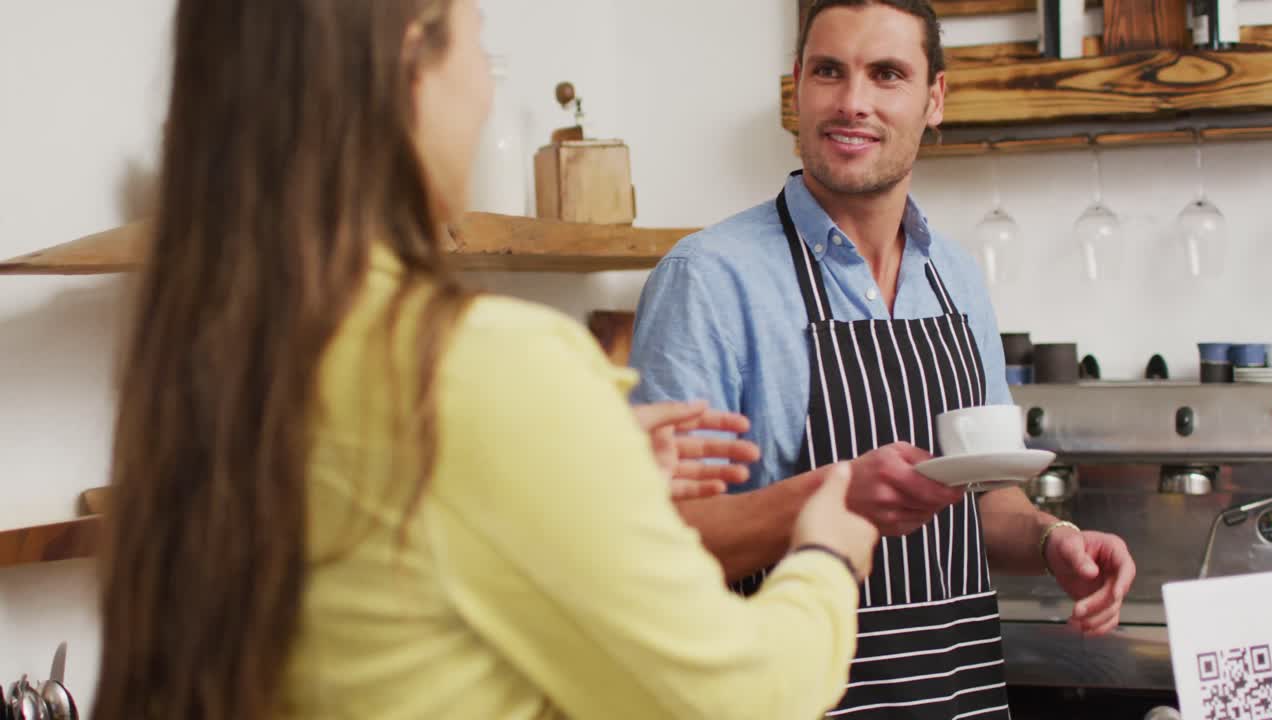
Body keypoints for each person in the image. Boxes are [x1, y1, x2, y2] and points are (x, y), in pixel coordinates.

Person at [89, 1, 887, 719]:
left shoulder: (205, 355)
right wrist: (825, 554)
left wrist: (581, 481)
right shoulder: (478, 365)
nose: (485, 91)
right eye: (480, 45)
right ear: (411, 59)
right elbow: (739, 699)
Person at [628, 0, 1138, 717]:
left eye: (887, 74)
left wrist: (1055, 542)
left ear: (934, 99)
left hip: (959, 696)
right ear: (797, 88)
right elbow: (658, 547)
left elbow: (987, 500)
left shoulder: (956, 279)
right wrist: (838, 494)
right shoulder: (709, 280)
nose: (852, 102)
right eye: (828, 71)